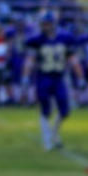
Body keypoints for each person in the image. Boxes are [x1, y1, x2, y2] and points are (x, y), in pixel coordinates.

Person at [23, 12, 83, 150]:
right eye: (43, 24)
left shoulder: (65, 38)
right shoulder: (36, 40)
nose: (45, 26)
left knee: (64, 109)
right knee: (45, 108)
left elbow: (73, 60)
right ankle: (47, 139)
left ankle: (54, 133)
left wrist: (80, 78)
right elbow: (30, 60)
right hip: (43, 76)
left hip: (59, 77)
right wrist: (25, 77)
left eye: (47, 23)